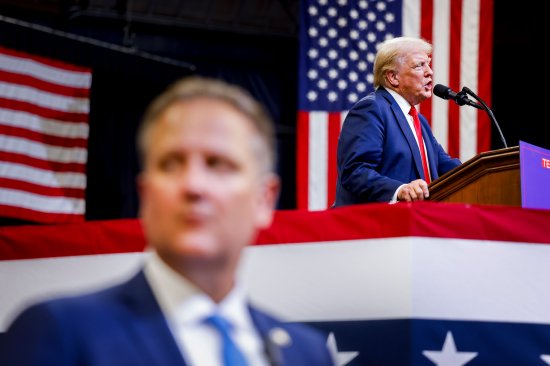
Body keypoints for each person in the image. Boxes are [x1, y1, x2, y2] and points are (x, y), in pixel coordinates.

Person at [2, 77, 335, 366]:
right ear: (145, 194)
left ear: (264, 200)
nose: (193, 185)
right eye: (171, 163)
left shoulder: (308, 355)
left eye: (218, 164)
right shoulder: (59, 333)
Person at [334, 36, 461, 206]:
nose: (430, 72)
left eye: (428, 64)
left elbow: (446, 167)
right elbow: (355, 172)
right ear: (393, 77)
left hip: (416, 224)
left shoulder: (419, 121)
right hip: (377, 226)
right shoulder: (372, 109)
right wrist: (399, 190)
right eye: (419, 65)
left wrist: (484, 174)